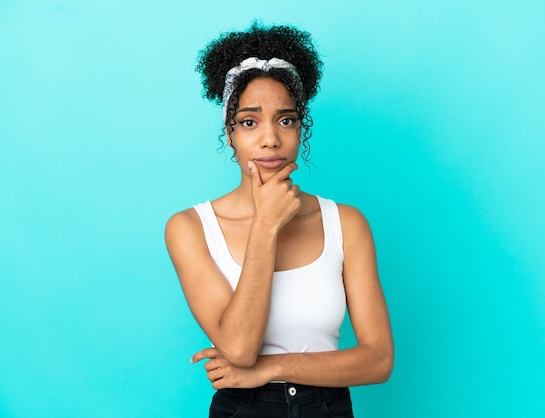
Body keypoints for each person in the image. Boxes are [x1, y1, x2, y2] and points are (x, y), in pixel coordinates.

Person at [165, 23, 394, 418]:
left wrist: (272, 368)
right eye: (250, 122)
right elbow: (238, 348)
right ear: (230, 132)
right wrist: (266, 226)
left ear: (300, 128)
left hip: (328, 408)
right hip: (244, 409)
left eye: (285, 120)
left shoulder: (347, 223)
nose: (270, 139)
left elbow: (378, 361)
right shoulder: (190, 228)